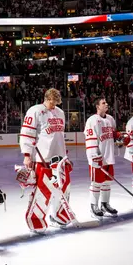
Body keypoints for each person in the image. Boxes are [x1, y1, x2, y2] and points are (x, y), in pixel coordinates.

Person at [19, 88, 75, 232]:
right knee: (43, 190)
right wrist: (27, 155)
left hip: (60, 159)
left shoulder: (60, 113)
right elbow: (27, 134)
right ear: (47, 98)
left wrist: (64, 154)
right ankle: (36, 220)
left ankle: (59, 215)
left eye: (57, 102)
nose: (54, 105)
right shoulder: (35, 111)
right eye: (53, 102)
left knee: (63, 188)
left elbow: (59, 135)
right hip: (43, 158)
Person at [84, 98, 119, 218]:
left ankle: (105, 204)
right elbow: (89, 139)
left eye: (106, 102)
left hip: (109, 156)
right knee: (96, 183)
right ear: (97, 106)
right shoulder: (92, 120)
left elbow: (114, 134)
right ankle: (94, 206)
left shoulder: (110, 119)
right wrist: (94, 155)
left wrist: (120, 138)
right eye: (103, 103)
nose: (106, 104)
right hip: (97, 158)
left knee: (107, 183)